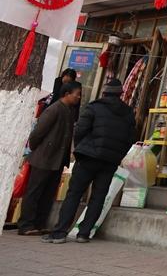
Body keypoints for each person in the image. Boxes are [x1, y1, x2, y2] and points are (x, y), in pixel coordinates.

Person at [44, 78, 136, 243]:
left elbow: (80, 131)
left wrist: (82, 149)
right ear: (120, 94)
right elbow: (130, 139)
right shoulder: (128, 113)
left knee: (74, 193)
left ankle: (59, 233)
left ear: (104, 93)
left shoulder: (94, 107)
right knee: (98, 196)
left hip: (88, 157)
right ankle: (84, 234)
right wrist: (116, 155)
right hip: (109, 161)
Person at [18, 81, 82, 236]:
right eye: (77, 94)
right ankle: (26, 225)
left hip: (57, 160)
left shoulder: (69, 111)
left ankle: (39, 224)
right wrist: (37, 149)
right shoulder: (54, 109)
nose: (79, 97)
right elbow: (37, 134)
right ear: (67, 94)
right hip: (44, 158)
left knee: (48, 193)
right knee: (34, 192)